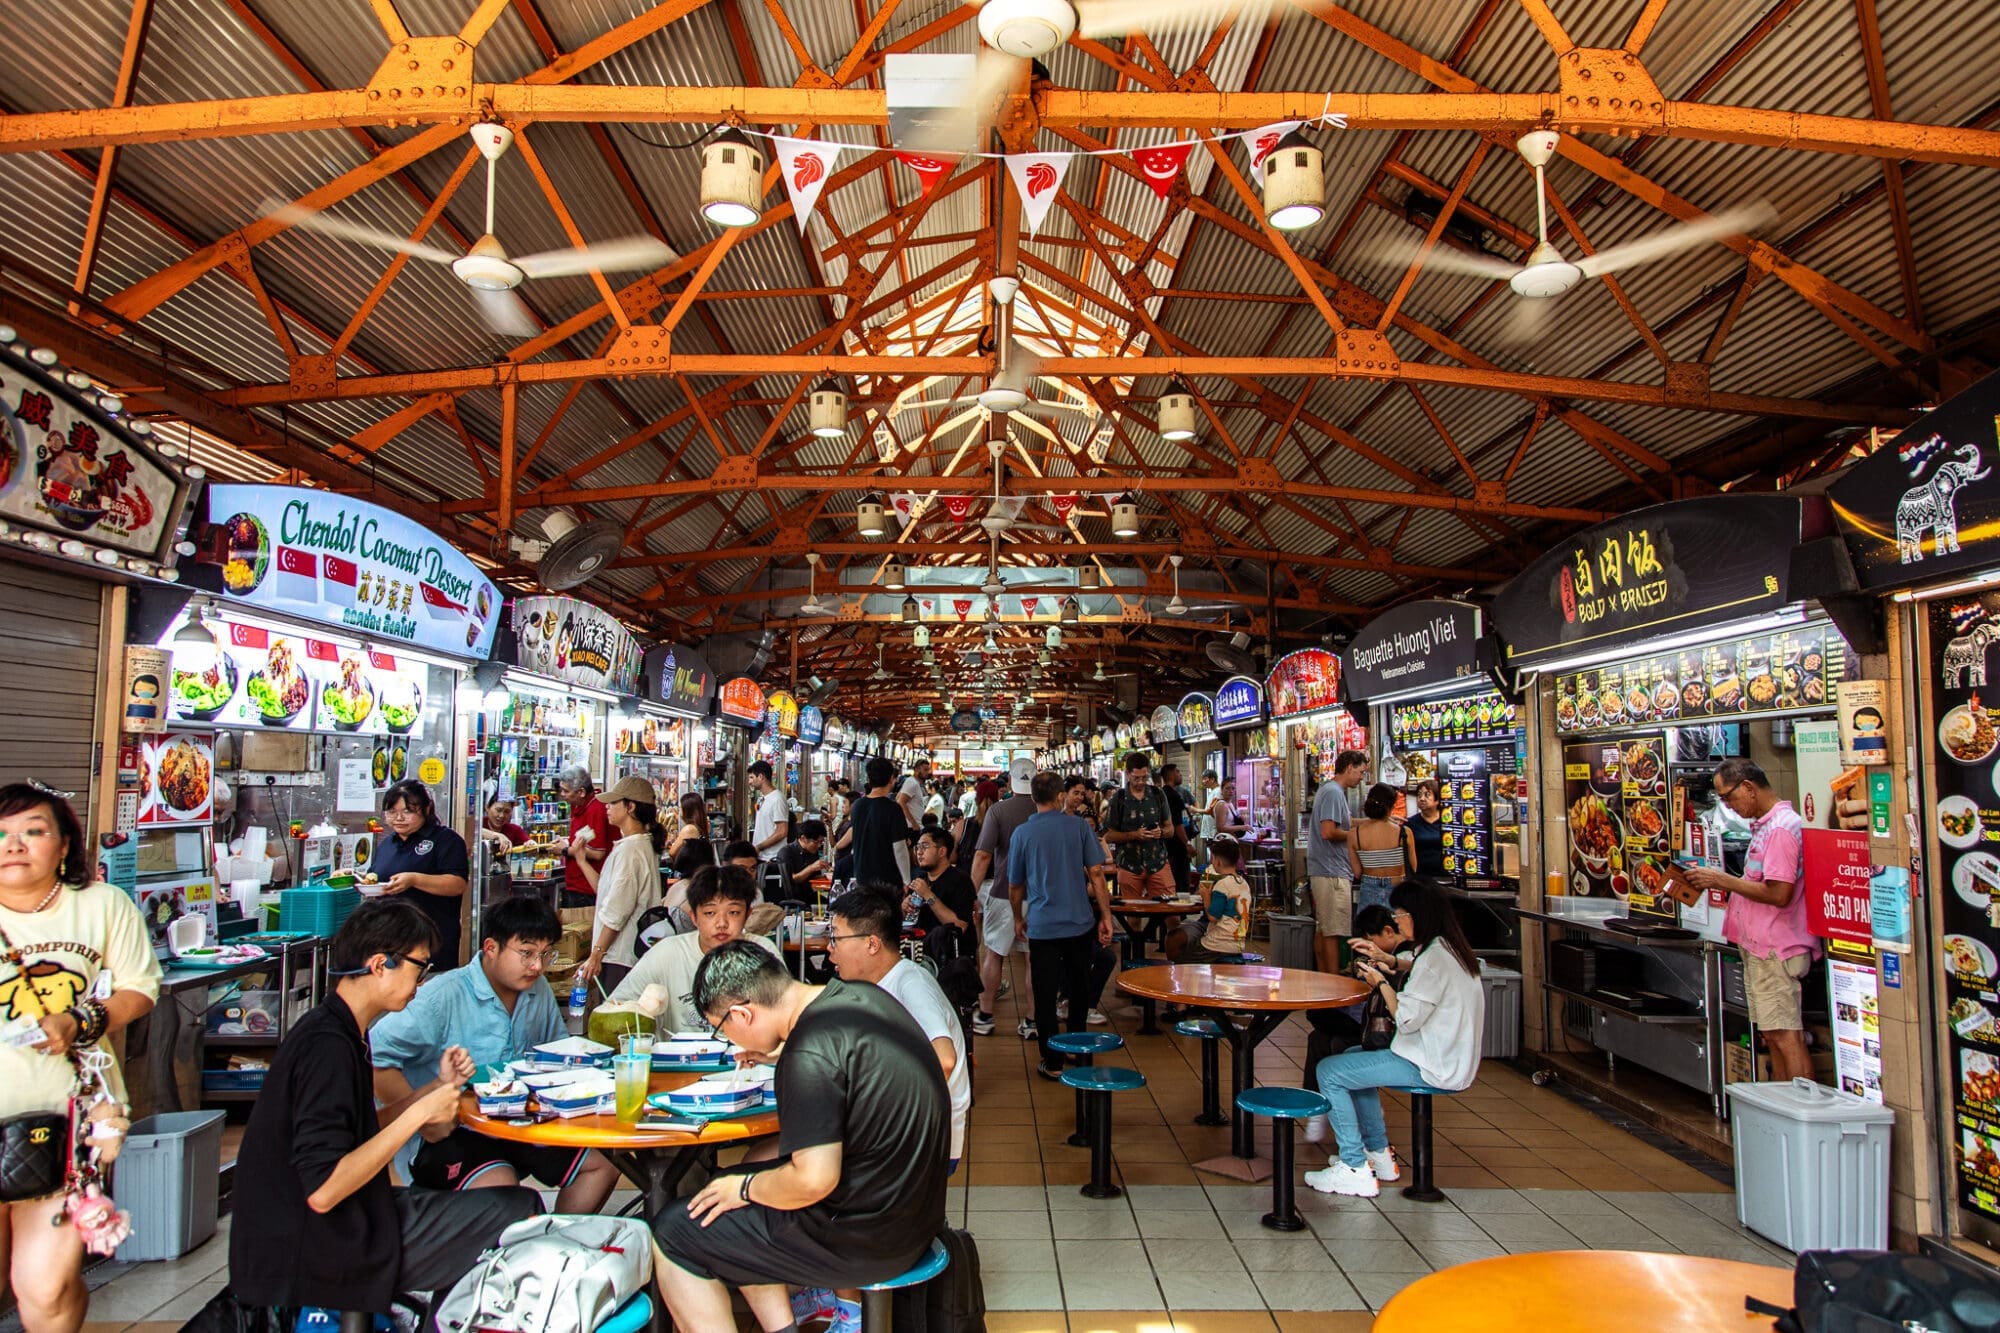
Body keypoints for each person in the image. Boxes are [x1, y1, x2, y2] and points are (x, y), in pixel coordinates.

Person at [231, 900, 541, 1314]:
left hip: (349, 1217)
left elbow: (360, 1129)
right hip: (319, 1243)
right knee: (519, 1212)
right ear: (380, 965)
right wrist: (418, 1114)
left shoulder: (340, 1030)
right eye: (419, 966)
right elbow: (324, 1192)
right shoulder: (328, 1048)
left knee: (514, 1206)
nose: (422, 981)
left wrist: (434, 1088)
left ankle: (441, 1320)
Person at [651, 942, 948, 1333]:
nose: (732, 1042)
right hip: (917, 1214)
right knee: (740, 1184)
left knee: (676, 1229)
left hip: (871, 1238)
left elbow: (814, 1179)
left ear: (742, 1013)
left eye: (724, 1030)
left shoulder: (808, 1056)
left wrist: (744, 1190)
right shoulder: (859, 994)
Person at [0, 783, 159, 1330]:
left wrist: (80, 1020)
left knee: (44, 1288)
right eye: (1, 834)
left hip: (67, 1127)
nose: (13, 845)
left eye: (32, 832)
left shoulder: (100, 905)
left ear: (64, 844)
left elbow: (140, 988)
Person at [369, 896, 618, 1212]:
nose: (537, 966)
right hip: (453, 1132)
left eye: (545, 954)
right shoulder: (442, 997)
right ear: (490, 948)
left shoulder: (537, 990)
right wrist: (423, 1118)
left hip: (516, 1121)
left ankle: (553, 1248)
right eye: (526, 953)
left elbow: (557, 1052)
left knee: (599, 1170)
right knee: (504, 1192)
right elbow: (376, 1054)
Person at [1304, 878, 1483, 1198]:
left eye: (1400, 915)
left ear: (1418, 916)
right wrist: (1389, 961)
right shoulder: (1447, 948)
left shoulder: (1433, 960)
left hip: (1430, 1061)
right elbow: (1414, 967)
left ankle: (1353, 1167)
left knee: (1329, 1071)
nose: (1397, 921)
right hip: (1440, 1054)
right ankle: (1378, 1154)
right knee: (1351, 1062)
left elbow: (1407, 1019)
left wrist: (1380, 982)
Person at [1683, 758, 1817, 1083]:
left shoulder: (1782, 830)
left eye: (1728, 797)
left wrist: (1721, 880)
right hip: (1761, 948)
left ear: (1748, 787)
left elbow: (1779, 894)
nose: (1728, 806)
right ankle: (1782, 1108)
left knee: (1786, 1037)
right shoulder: (1765, 827)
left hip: (1777, 949)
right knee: (1772, 1036)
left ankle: (1800, 1113)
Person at [824, 888, 969, 1165]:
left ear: (872, 944)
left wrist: (876, 1104)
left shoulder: (911, 984)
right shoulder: (879, 983)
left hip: (920, 1140)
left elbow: (944, 1059)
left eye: (836, 938)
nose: (830, 948)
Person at [1008, 771, 1115, 1079]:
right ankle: (1077, 1051)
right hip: (1079, 924)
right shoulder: (1079, 827)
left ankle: (1052, 1062)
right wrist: (1106, 917)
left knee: (1044, 994)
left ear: (1032, 799)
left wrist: (1018, 918)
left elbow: (1015, 886)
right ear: (1060, 797)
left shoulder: (1022, 835)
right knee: (1079, 990)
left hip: (1042, 927)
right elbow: (1096, 873)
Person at [609, 865, 782, 1030]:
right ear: (694, 917)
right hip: (676, 1059)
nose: (722, 923)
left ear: (747, 915)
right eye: (710, 913)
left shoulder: (764, 953)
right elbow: (616, 1006)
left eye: (733, 912)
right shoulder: (666, 953)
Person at [1301, 903, 1416, 1129]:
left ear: (1388, 931)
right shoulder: (1390, 956)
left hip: (1385, 1028)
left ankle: (1360, 1109)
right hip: (1367, 1020)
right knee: (1318, 1038)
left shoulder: (1407, 957)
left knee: (1336, 1039)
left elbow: (1395, 996)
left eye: (1371, 940)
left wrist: (1378, 977)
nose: (1369, 947)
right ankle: (1316, 1106)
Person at [574, 775, 667, 994]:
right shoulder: (639, 845)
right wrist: (581, 860)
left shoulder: (631, 850)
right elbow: (607, 893)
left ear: (630, 807)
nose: (607, 807)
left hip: (620, 957)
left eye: (614, 802)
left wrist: (597, 953)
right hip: (624, 955)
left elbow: (617, 911)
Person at [970, 758, 1040, 1036]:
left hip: (1002, 893)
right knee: (1034, 958)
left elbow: (983, 855)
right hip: (1039, 896)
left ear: (1010, 781)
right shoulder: (1047, 810)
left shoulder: (998, 811)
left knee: (994, 955)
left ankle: (985, 1016)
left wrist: (970, 893)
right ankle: (1033, 1021)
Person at [372, 778, 472, 968]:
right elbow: (374, 879)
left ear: (426, 809)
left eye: (407, 811)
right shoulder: (387, 844)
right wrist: (355, 877)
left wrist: (415, 879)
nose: (399, 818)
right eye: (392, 812)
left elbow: (457, 884)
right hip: (389, 939)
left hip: (431, 939)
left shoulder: (446, 840)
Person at [1307, 751, 1369, 972]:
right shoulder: (1333, 792)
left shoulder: (1330, 790)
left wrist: (1370, 823)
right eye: (1361, 772)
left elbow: (1345, 822)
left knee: (1323, 929)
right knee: (1332, 932)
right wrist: (1356, 836)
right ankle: (1334, 984)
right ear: (1349, 767)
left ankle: (1323, 979)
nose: (1361, 777)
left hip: (1325, 869)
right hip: (1331, 871)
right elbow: (1329, 831)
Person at [1104, 752, 1175, 899]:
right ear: (1128, 774)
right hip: (1129, 865)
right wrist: (1134, 835)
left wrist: (1160, 832)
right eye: (1136, 778)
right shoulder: (1119, 798)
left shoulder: (1157, 794)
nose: (1140, 782)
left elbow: (1170, 829)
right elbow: (1109, 836)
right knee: (1133, 916)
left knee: (1170, 911)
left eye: (1144, 777)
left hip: (1157, 863)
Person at [1174, 836, 1252, 964]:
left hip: (1216, 945)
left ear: (1217, 862)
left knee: (1180, 959)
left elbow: (1213, 917)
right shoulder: (1243, 883)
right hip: (1237, 944)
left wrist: (1206, 895)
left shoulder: (1222, 885)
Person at [837, 757, 911, 885]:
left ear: (869, 779)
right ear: (891, 779)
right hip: (887, 880)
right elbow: (899, 847)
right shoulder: (893, 808)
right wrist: (906, 880)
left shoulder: (858, 806)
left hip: (862, 876)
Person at [1352, 782, 1416, 914]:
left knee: (1369, 932)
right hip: (1397, 890)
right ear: (1392, 806)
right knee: (1399, 932)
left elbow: (1357, 872)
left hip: (1368, 891)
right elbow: (1413, 867)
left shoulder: (1354, 834)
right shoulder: (1404, 832)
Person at [559, 765, 616, 910]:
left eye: (566, 791)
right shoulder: (578, 806)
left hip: (588, 888)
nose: (562, 794)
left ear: (582, 792)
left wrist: (565, 850)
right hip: (576, 885)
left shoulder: (596, 808)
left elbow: (598, 852)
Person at [908, 824, 976, 936]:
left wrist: (928, 895)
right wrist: (906, 908)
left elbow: (959, 926)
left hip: (950, 948)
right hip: (921, 946)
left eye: (925, 846)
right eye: (918, 847)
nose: (919, 852)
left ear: (942, 852)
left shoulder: (961, 881)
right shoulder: (921, 879)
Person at [1159, 762, 1196, 895]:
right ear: (1171, 775)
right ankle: (1179, 912)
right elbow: (1177, 823)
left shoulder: (1162, 794)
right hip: (1176, 848)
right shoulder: (1173, 796)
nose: (1181, 774)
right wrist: (1187, 844)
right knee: (1180, 883)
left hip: (1166, 848)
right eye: (1178, 772)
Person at [748, 760, 790, 862]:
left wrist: (759, 847)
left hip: (773, 858)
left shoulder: (777, 799)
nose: (750, 782)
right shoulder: (762, 798)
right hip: (762, 856)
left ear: (761, 777)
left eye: (752, 777)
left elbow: (782, 831)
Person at [774, 819, 832, 891]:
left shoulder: (813, 851)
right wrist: (811, 868)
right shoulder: (786, 852)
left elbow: (815, 877)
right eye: (816, 842)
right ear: (803, 838)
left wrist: (828, 877)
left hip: (811, 893)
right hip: (792, 897)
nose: (819, 845)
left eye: (821, 842)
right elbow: (790, 880)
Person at [1406, 779, 1447, 877]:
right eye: (1419, 795)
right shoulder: (1410, 823)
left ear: (1437, 799)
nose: (1422, 799)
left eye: (1427, 795)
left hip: (1445, 875)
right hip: (1420, 876)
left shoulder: (1447, 822)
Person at [665, 791, 710, 866]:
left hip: (690, 874)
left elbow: (672, 853)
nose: (679, 810)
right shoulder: (700, 827)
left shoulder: (689, 829)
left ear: (687, 809)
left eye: (680, 807)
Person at [898, 757, 934, 838]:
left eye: (928, 770)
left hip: (912, 826)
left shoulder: (911, 782)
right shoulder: (912, 783)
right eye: (925, 770)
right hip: (912, 827)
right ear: (917, 769)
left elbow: (898, 798)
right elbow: (900, 802)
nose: (927, 772)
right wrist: (914, 823)